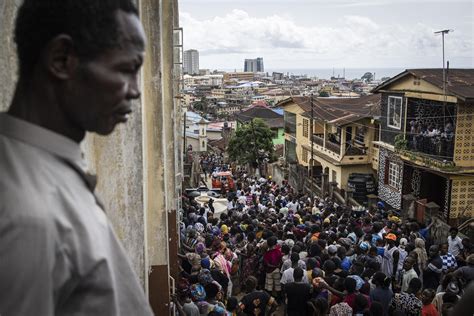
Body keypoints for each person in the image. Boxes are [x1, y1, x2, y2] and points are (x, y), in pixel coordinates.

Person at [0, 1, 152, 315]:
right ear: (62, 59)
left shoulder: (39, 163)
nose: (135, 91)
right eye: (126, 69)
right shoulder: (28, 217)